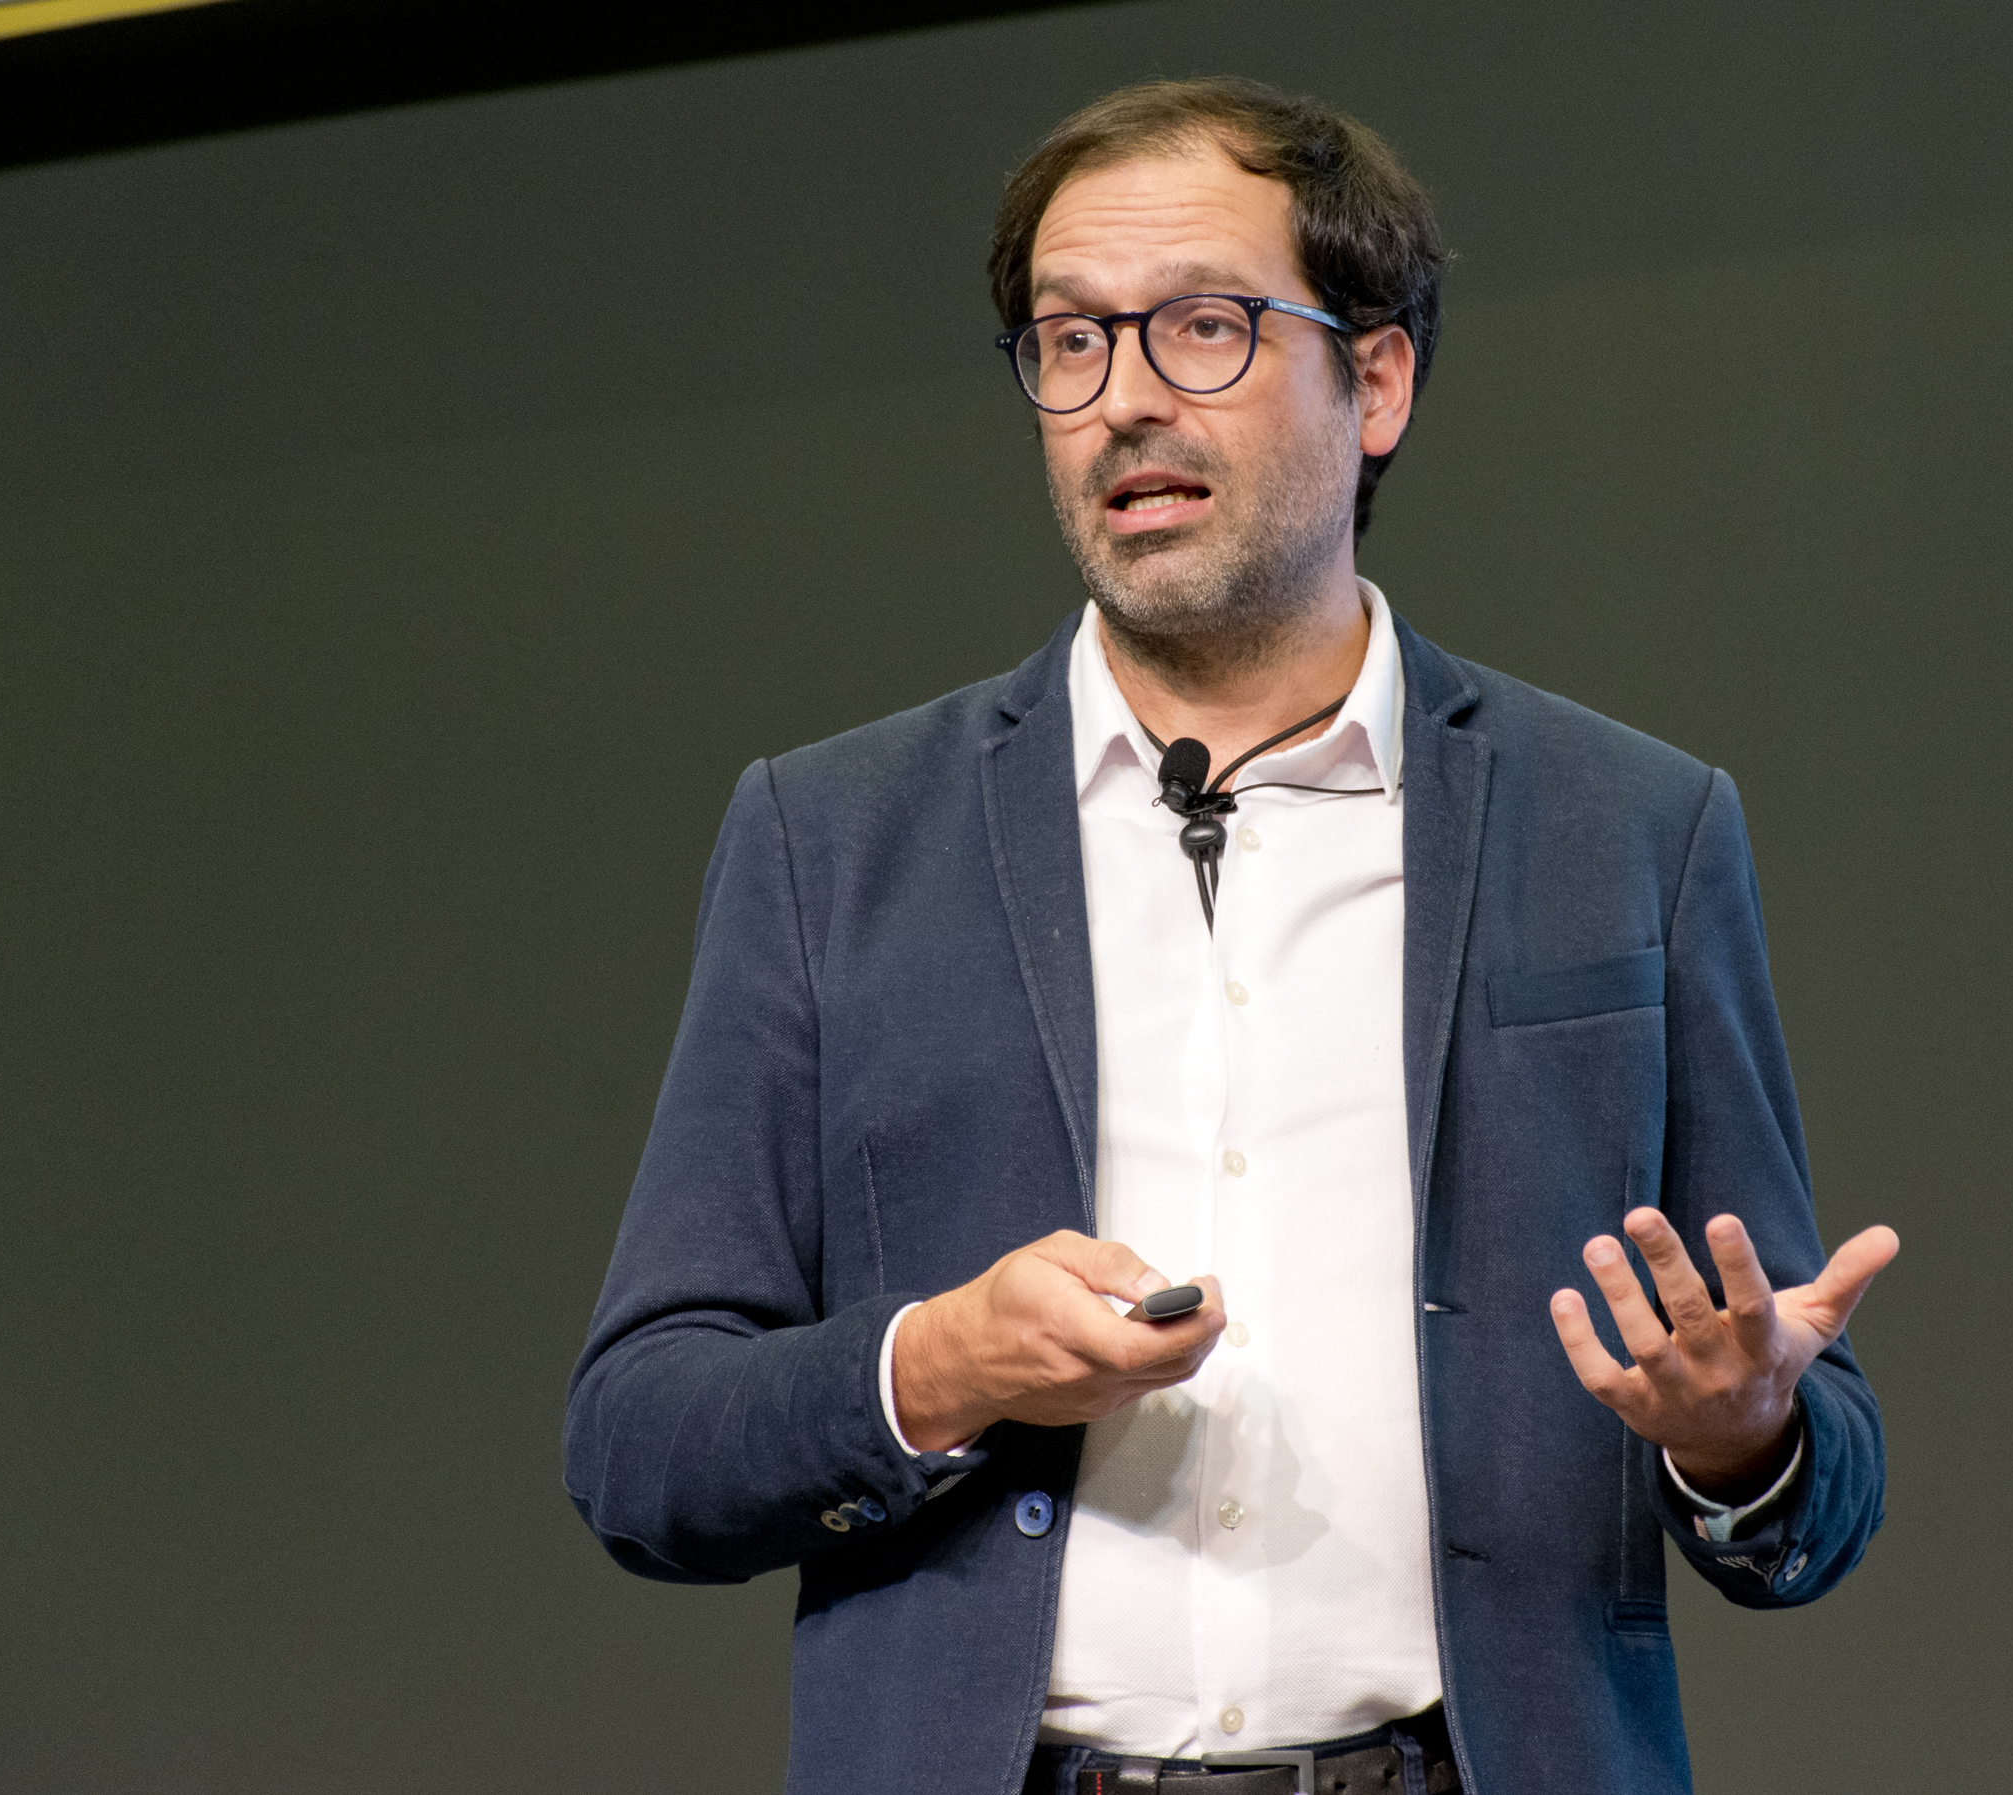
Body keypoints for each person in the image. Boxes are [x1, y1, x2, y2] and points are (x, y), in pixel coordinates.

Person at [564, 76, 1897, 1795]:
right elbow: (642, 1447)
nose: (1123, 398)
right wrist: (940, 1365)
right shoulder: (831, 840)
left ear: (1378, 380)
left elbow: (1812, 1467)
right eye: (1069, 341)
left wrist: (1744, 1434)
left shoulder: (1629, 829)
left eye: (1201, 327)